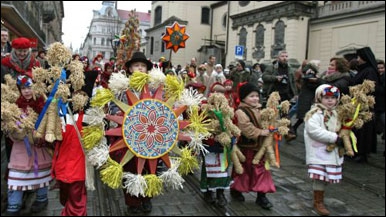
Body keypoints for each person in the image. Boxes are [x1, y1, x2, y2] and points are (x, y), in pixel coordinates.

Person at [51, 56, 99, 216]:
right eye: (75, 91)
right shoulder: (63, 111)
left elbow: (98, 136)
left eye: (82, 92)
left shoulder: (91, 115)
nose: (78, 95)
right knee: (65, 196)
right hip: (63, 163)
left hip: (79, 165)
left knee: (77, 198)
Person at [110, 51, 155, 214]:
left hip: (150, 136)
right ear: (130, 69)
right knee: (130, 168)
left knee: (150, 169)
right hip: (128, 135)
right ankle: (132, 202)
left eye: (143, 66)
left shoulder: (153, 86)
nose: (140, 68)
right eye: (137, 65)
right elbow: (114, 107)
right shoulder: (122, 87)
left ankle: (147, 198)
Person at [6, 75, 51, 215]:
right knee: (16, 175)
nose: (26, 91)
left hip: (38, 148)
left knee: (41, 174)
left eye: (29, 87)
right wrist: (12, 132)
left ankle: (42, 198)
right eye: (23, 88)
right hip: (20, 148)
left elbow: (49, 124)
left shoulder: (42, 104)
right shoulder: (13, 106)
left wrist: (42, 137)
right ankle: (14, 204)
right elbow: (8, 126)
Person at [230, 83, 275, 210]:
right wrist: (261, 132)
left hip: (261, 148)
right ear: (244, 98)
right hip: (246, 147)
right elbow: (246, 128)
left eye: (257, 96)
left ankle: (262, 195)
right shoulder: (240, 111)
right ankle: (236, 189)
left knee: (261, 171)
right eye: (252, 96)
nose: (255, 99)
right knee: (243, 170)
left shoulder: (261, 110)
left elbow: (268, 122)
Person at [304, 84, 343, 216]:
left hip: (331, 152)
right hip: (319, 152)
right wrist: (334, 137)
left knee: (325, 178)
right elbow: (313, 131)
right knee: (320, 177)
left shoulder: (337, 113)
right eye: (326, 98)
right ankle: (318, 202)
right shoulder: (315, 113)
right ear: (319, 98)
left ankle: (320, 198)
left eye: (333, 98)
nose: (330, 100)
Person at [351, 47, 381, 162]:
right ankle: (356, 150)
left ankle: (362, 153)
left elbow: (369, 88)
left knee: (364, 130)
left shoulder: (369, 71)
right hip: (357, 104)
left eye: (358, 57)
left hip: (364, 106)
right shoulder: (364, 70)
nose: (357, 59)